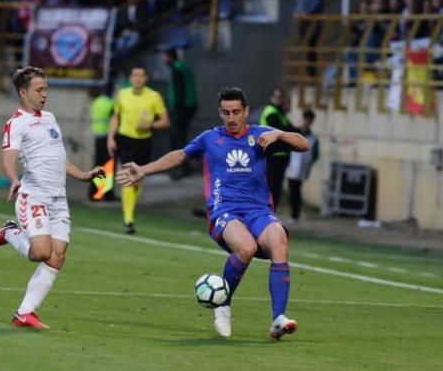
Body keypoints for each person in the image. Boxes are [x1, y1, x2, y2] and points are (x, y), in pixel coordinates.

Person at [116, 86, 310, 340]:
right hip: (224, 210)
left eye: (236, 112)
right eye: (226, 112)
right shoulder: (209, 139)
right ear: (220, 113)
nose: (231, 118)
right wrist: (144, 169)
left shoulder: (261, 135)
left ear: (246, 111)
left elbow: (303, 144)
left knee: (279, 242)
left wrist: (280, 135)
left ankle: (278, 319)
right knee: (246, 248)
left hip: (259, 210)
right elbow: (179, 156)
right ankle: (223, 303)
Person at [0, 66, 105, 330]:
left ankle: (25, 312)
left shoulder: (49, 117)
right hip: (33, 196)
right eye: (39, 90)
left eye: (46, 89)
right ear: (23, 93)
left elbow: (58, 156)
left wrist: (82, 175)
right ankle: (10, 232)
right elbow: (9, 155)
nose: (44, 94)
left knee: (57, 256)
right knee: (41, 252)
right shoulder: (15, 122)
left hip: (58, 199)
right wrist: (14, 178)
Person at [107, 67, 170, 234]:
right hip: (125, 139)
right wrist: (111, 137)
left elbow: (165, 121)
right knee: (128, 174)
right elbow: (116, 116)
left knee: (138, 178)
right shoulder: (122, 94)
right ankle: (128, 219)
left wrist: (150, 125)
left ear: (146, 78)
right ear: (130, 78)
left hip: (144, 140)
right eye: (135, 75)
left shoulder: (153, 96)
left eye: (141, 76)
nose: (138, 79)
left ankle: (130, 212)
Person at [164, 48, 198, 178]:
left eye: (165, 57)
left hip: (182, 107)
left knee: (177, 138)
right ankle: (184, 167)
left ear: (169, 57)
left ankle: (179, 168)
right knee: (181, 137)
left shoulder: (177, 70)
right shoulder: (183, 67)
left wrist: (175, 110)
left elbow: (179, 92)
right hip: (188, 106)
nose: (164, 60)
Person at [260, 87, 296, 210]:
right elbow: (282, 130)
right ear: (271, 98)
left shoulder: (280, 113)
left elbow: (291, 129)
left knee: (276, 188)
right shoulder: (271, 112)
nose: (279, 100)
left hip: (281, 155)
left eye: (281, 97)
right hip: (272, 155)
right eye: (277, 97)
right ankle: (267, 214)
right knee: (272, 187)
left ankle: (270, 213)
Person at [285, 108, 319, 225]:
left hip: (302, 167)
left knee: (296, 191)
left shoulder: (313, 137)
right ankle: (294, 214)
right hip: (291, 165)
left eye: (309, 120)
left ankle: (295, 215)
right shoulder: (296, 133)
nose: (307, 122)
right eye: (306, 119)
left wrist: (308, 164)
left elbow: (315, 154)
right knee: (292, 190)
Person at [89, 80, 116, 202]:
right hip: (107, 137)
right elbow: (115, 120)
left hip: (97, 136)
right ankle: (107, 194)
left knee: (97, 165)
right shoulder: (111, 103)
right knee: (108, 166)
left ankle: (93, 193)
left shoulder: (96, 101)